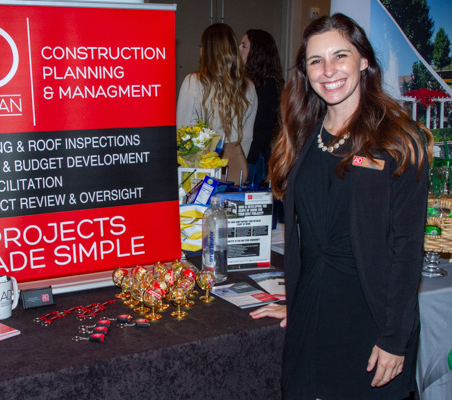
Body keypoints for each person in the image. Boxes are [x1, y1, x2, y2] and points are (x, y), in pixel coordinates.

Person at [250, 13, 433, 400]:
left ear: (363, 61)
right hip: (313, 310)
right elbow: (305, 236)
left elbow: (407, 247)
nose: (328, 70)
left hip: (370, 317)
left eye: (340, 56)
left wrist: (396, 337)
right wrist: (297, 299)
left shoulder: (398, 140)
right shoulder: (303, 132)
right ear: (306, 71)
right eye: (316, 61)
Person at [177, 23, 257, 186]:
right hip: (235, 165)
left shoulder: (193, 82)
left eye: (202, 46)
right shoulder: (248, 86)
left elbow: (180, 131)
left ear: (208, 50)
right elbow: (247, 137)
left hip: (200, 165)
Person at [239, 29, 284, 186]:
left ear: (257, 53)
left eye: (244, 46)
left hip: (252, 156)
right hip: (249, 154)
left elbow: (261, 128)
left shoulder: (266, 85)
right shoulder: (252, 82)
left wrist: (247, 157)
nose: (239, 49)